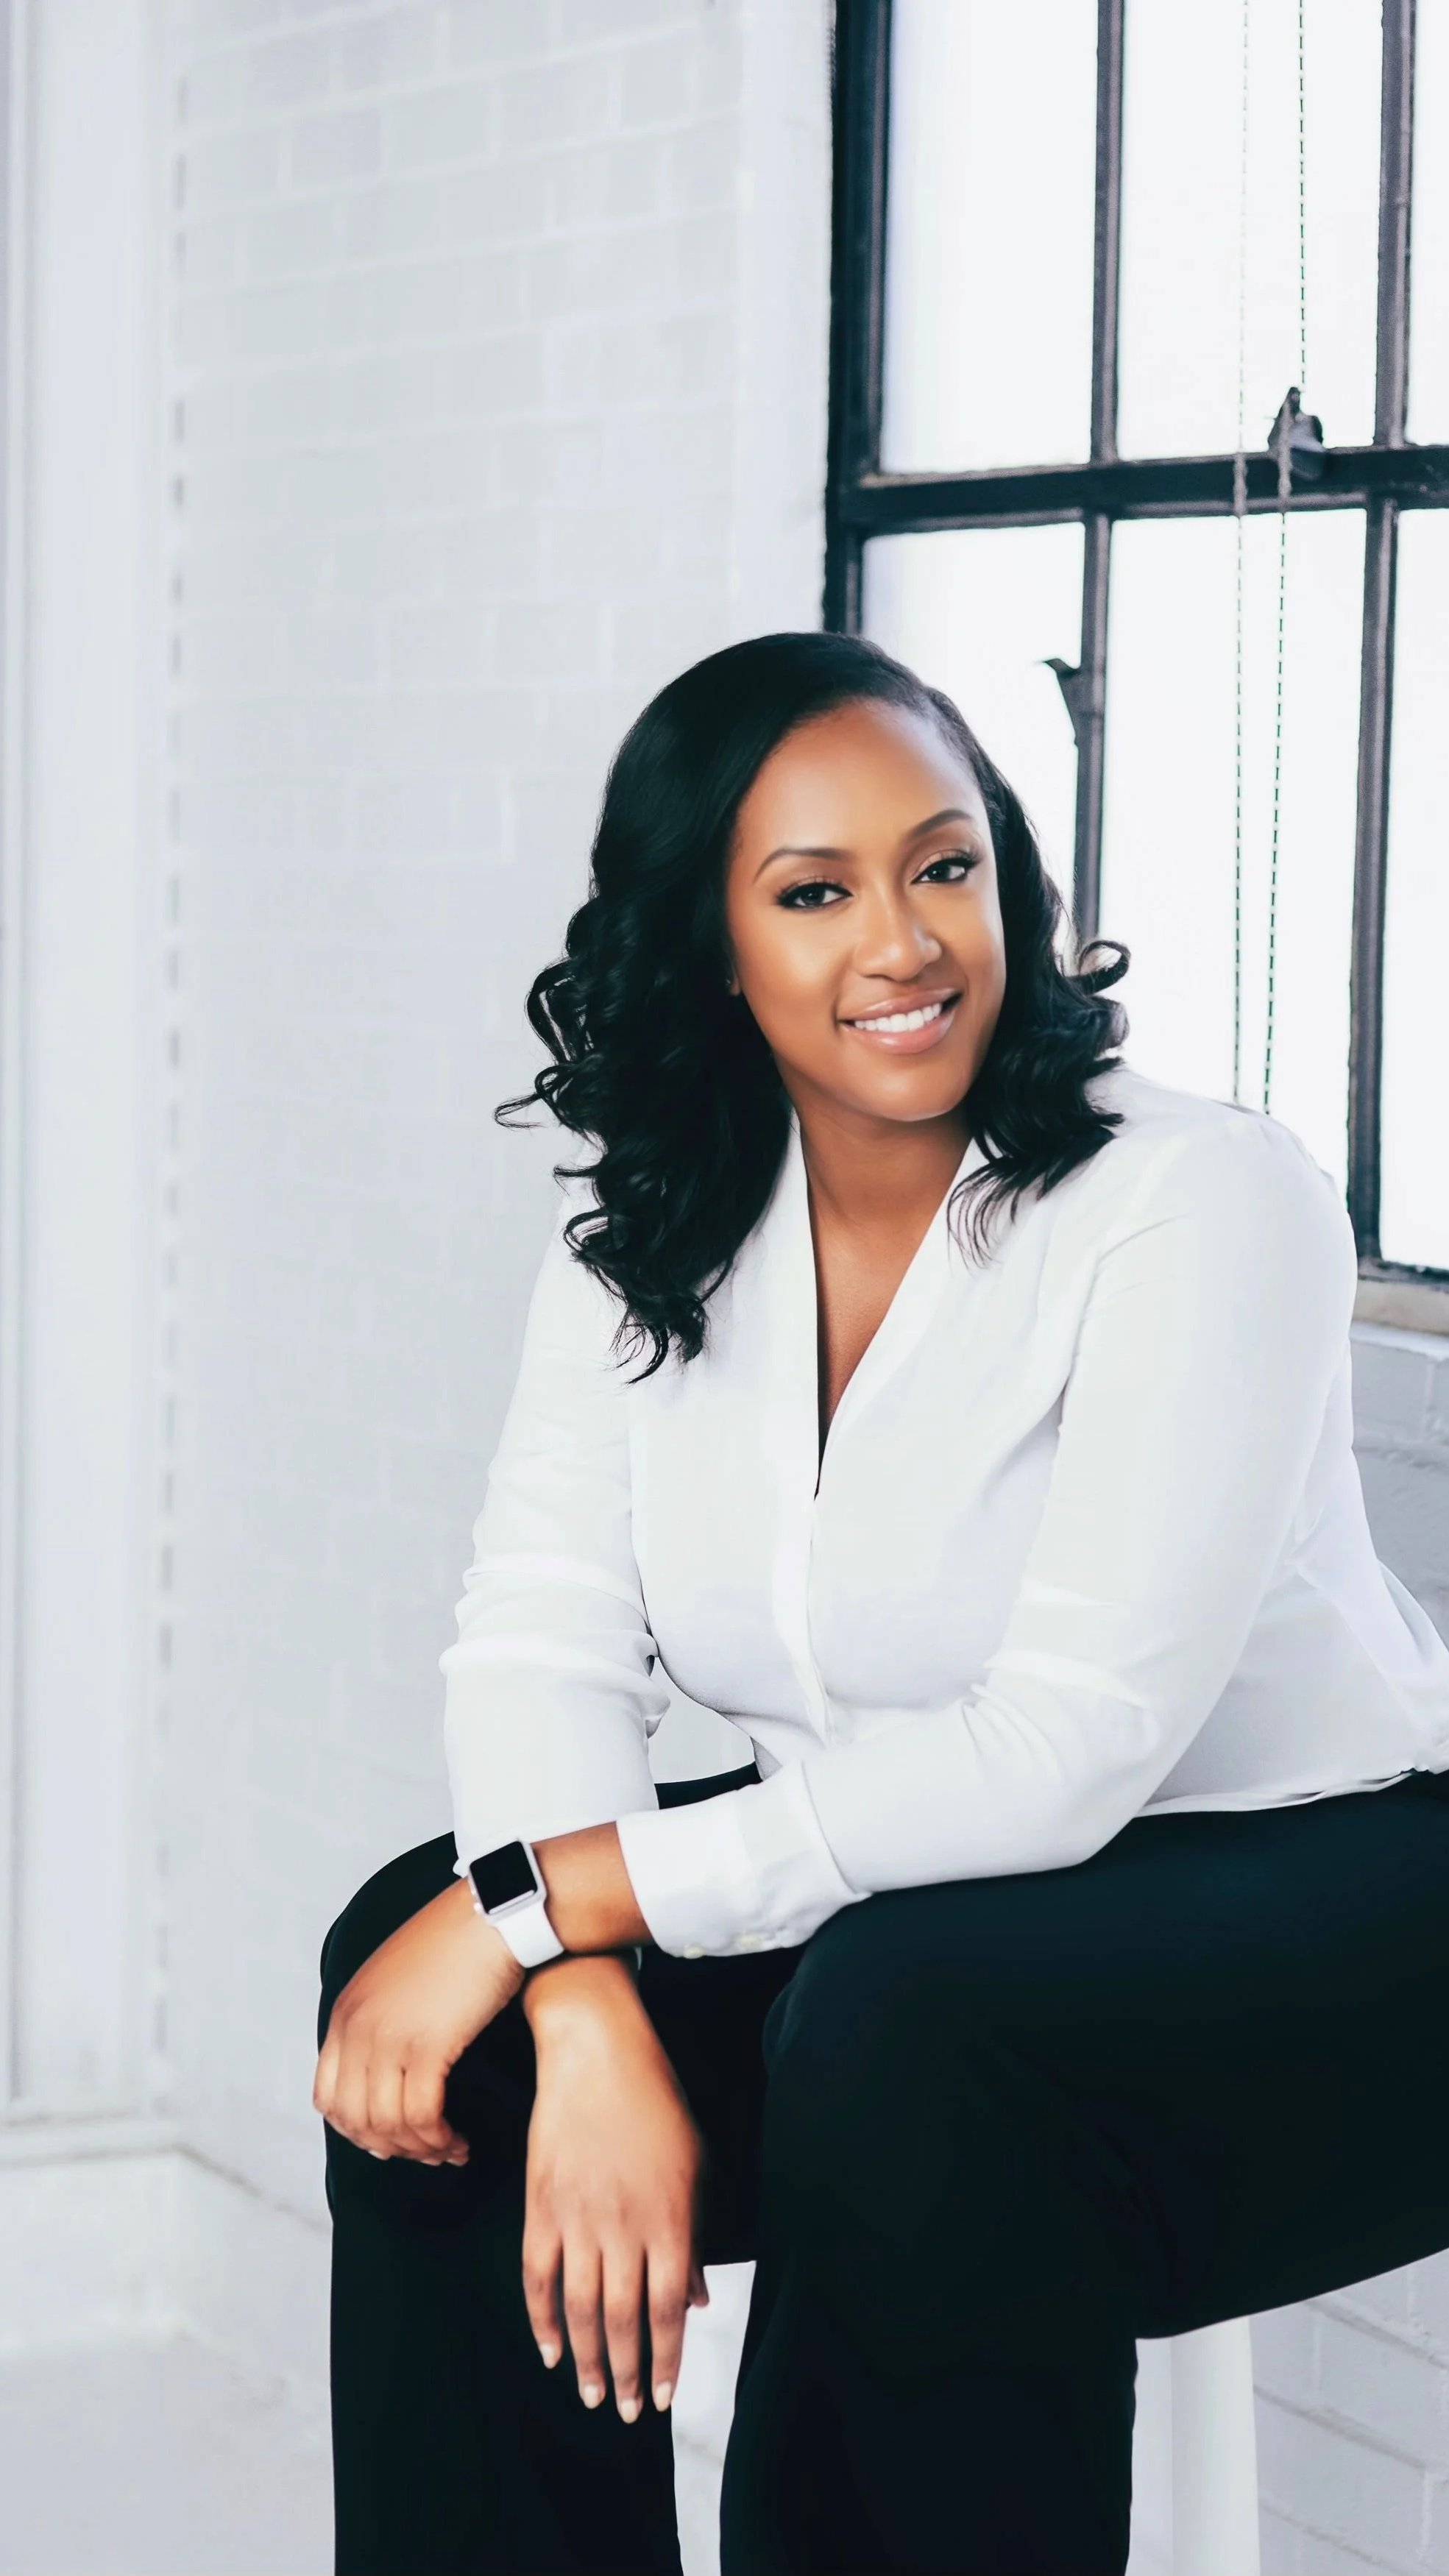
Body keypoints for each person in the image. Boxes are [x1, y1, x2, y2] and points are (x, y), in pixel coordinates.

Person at [313, 631, 1449, 2576]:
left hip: (1341, 1897)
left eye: (941, 865)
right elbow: (538, 1637)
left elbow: (1063, 1752)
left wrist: (550, 1896)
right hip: (919, 1915)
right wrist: (577, 2001)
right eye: (814, 892)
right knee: (443, 1995)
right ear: (709, 943)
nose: (904, 941)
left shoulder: (1199, 1199)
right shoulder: (656, 1236)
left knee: (900, 2017)